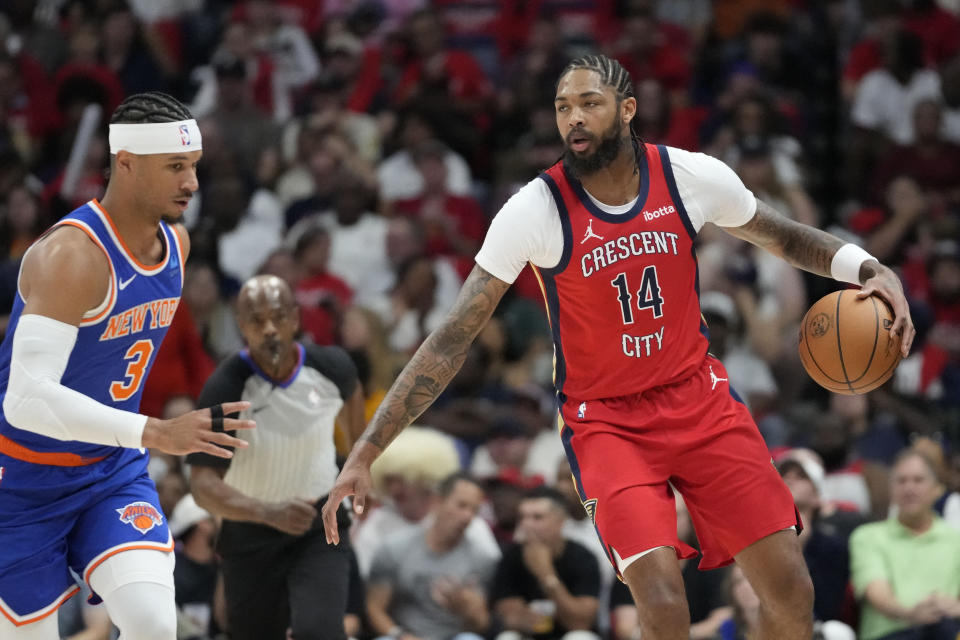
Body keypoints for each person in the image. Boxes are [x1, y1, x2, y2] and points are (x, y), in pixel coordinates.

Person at [323, 54, 917, 640]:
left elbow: (781, 235)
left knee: (791, 588)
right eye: (562, 107)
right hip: (607, 423)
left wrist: (868, 268)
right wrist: (368, 448)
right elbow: (452, 339)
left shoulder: (689, 175)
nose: (573, 118)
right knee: (661, 601)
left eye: (589, 103)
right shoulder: (535, 209)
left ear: (627, 109)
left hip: (699, 399)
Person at [0, 92, 254, 640]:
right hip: (19, 477)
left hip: (109, 470)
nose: (192, 183)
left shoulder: (177, 245)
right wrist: (156, 431)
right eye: (176, 167)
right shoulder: (72, 255)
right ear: (127, 163)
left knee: (152, 623)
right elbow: (23, 399)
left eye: (193, 166)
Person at [186, 274, 364, 640]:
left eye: (278, 317)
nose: (269, 329)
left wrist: (357, 468)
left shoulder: (333, 368)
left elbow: (360, 440)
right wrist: (267, 512)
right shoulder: (225, 387)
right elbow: (202, 485)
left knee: (320, 632)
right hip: (249, 529)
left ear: (295, 319)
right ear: (241, 327)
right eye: (256, 320)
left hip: (319, 524)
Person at [366, 471, 496, 640]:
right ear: (438, 501)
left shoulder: (481, 558)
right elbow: (374, 608)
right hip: (405, 636)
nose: (467, 517)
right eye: (461, 505)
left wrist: (469, 610)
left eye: (474, 510)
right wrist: (400, 635)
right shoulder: (395, 548)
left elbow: (482, 624)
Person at [849, 449, 960, 640]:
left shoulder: (956, 539)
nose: (909, 488)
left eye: (918, 480)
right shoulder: (867, 536)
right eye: (901, 481)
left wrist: (955, 608)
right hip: (890, 635)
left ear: (937, 489)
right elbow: (877, 593)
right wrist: (912, 614)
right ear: (891, 489)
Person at [490, 486, 601, 640]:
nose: (527, 524)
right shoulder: (512, 556)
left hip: (567, 634)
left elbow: (581, 623)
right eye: (522, 517)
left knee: (581, 637)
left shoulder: (583, 557)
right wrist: (521, 618)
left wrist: (546, 574)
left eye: (537, 517)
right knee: (508, 637)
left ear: (561, 522)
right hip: (529, 635)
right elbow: (508, 615)